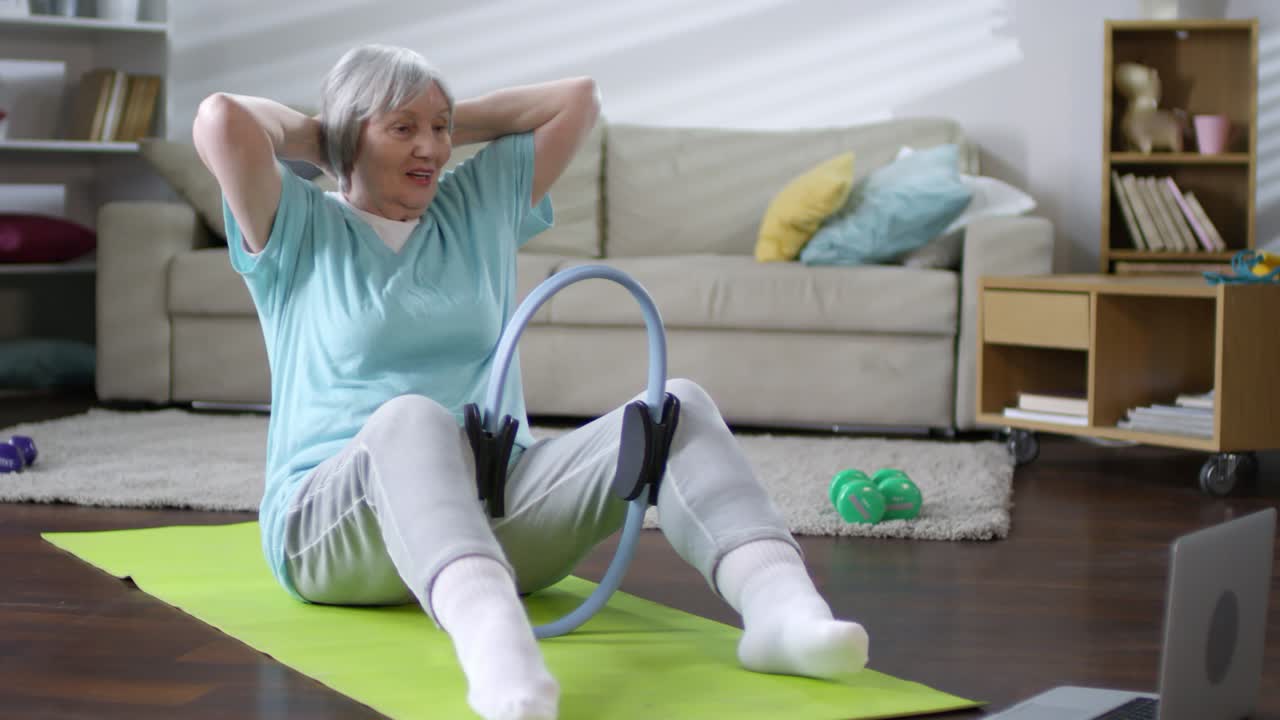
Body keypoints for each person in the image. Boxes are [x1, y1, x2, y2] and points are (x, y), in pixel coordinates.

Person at [193, 44, 869, 720]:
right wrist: (327, 136)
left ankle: (783, 612)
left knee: (677, 408)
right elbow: (222, 119)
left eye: (440, 127)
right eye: (404, 128)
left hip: (497, 508)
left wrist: (435, 118)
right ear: (348, 134)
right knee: (415, 417)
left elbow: (576, 99)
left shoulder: (473, 207)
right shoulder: (299, 226)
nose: (430, 146)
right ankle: (498, 654)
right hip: (332, 530)